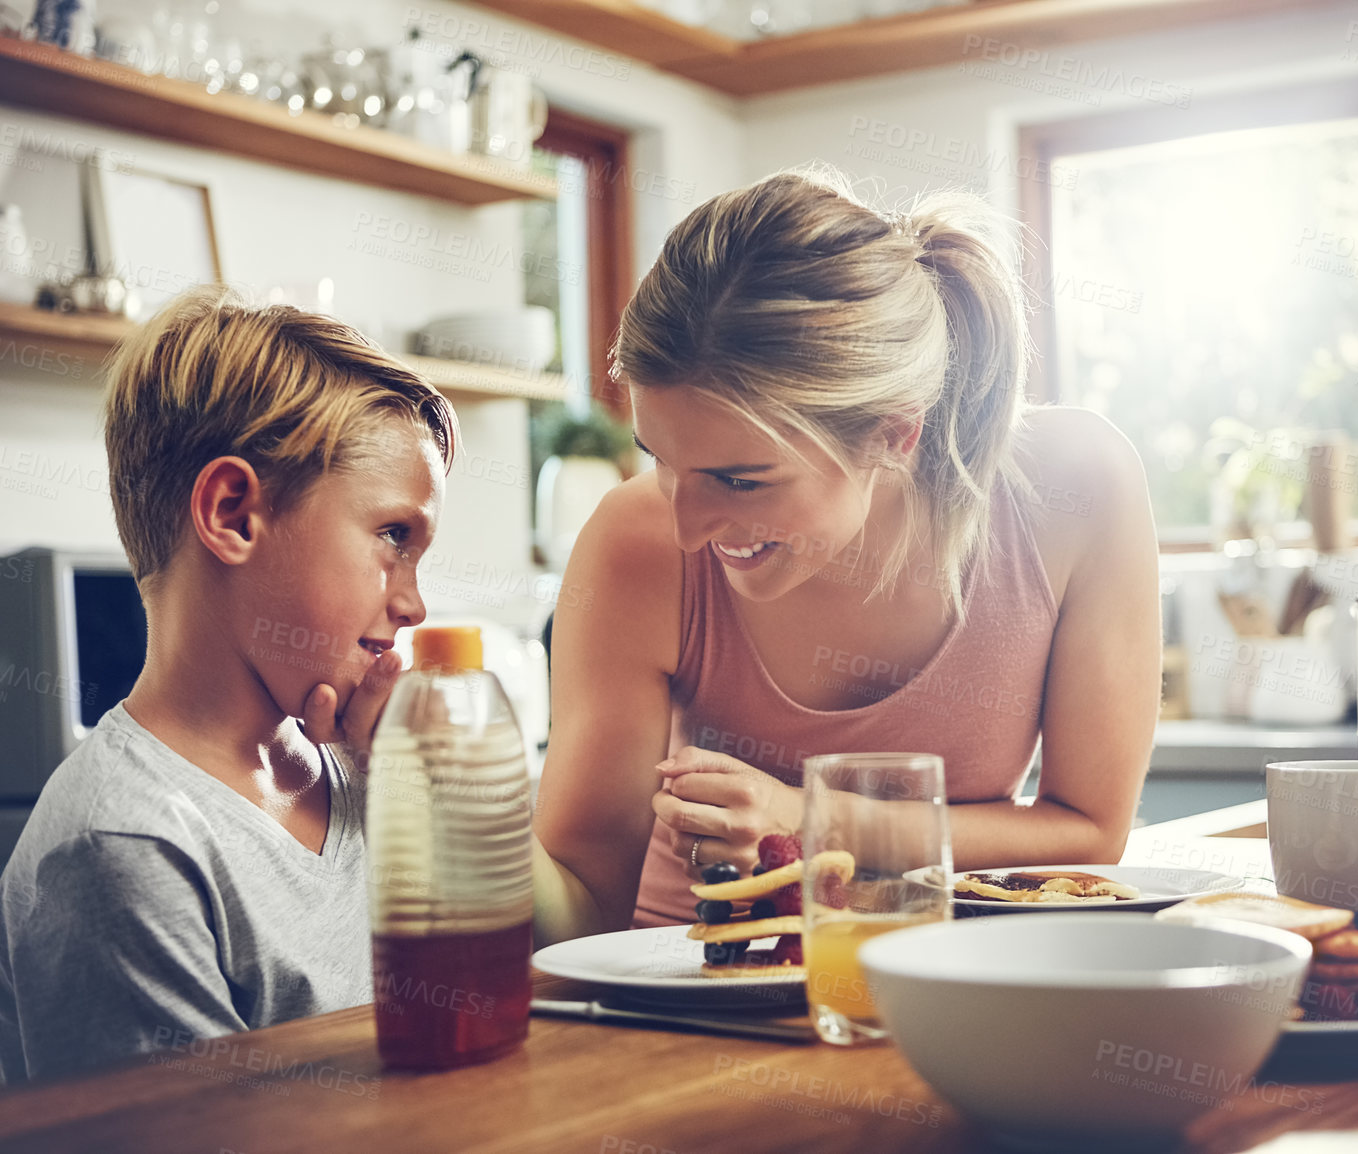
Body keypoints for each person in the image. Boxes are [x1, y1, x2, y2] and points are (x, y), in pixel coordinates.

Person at [533, 167, 1161, 936]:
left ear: (895, 434)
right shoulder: (633, 542)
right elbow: (579, 913)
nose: (688, 524)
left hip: (952, 975)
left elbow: (1090, 835)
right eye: (660, 459)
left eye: (740, 479)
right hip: (690, 983)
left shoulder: (1074, 490)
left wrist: (808, 817)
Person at [0, 287, 456, 1082]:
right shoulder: (127, 848)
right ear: (234, 513)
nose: (414, 602)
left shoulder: (360, 768)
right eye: (393, 537)